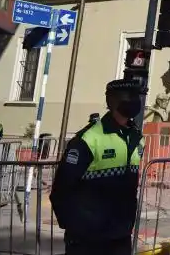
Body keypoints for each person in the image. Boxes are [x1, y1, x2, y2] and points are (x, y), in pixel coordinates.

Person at [50, 79, 144, 255]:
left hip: (120, 234)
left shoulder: (136, 137)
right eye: (129, 97)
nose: (135, 102)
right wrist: (76, 226)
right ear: (113, 102)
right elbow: (61, 189)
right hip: (88, 239)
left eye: (136, 97)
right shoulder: (88, 139)